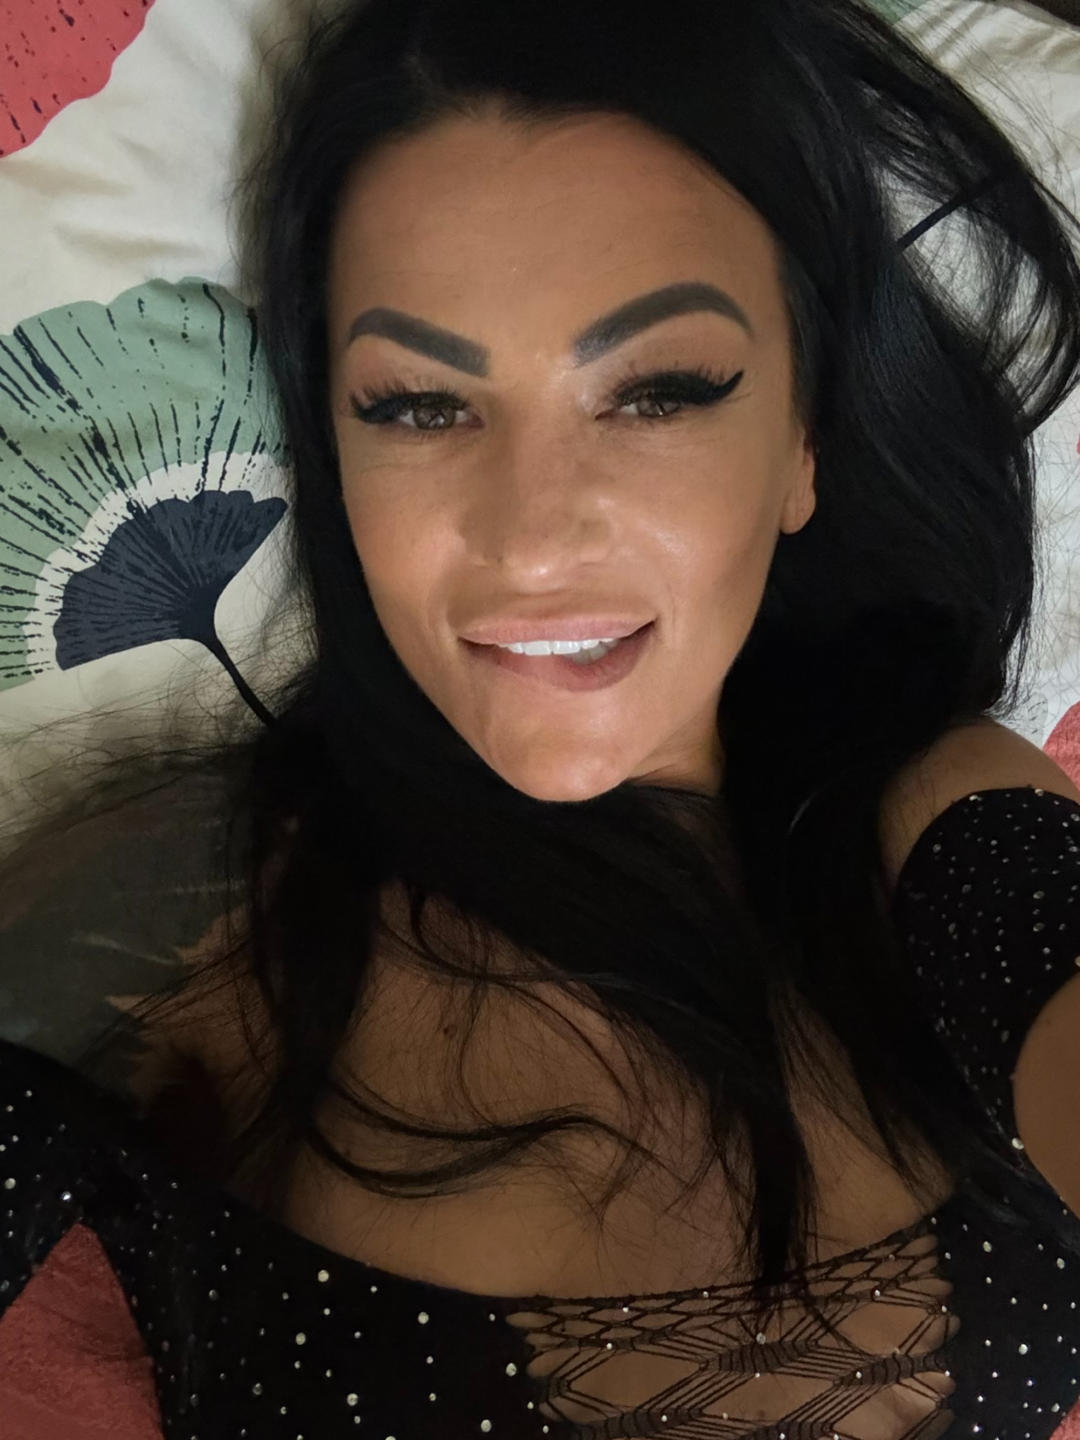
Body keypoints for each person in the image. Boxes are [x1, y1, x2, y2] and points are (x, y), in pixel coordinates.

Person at [3, 0, 1080, 1435]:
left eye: (658, 393)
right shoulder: (195, 905)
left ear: (803, 446)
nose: (530, 540)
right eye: (418, 407)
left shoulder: (933, 823)